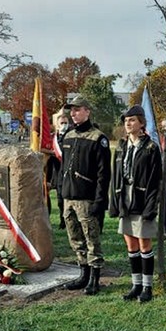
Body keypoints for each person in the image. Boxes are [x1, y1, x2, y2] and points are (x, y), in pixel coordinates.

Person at [59, 96, 111, 295]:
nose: (73, 114)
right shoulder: (69, 136)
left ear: (87, 111)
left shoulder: (98, 138)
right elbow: (63, 168)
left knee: (91, 239)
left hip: (86, 198)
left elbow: (103, 174)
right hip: (69, 197)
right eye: (71, 110)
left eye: (77, 110)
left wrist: (100, 201)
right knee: (75, 238)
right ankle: (83, 274)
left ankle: (95, 278)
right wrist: (61, 194)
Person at [110, 105, 162, 303]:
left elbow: (156, 179)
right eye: (126, 120)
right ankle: (136, 284)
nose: (128, 124)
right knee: (130, 243)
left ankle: (148, 287)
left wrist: (151, 206)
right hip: (125, 198)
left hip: (142, 198)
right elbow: (116, 175)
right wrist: (114, 201)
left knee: (144, 243)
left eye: (132, 120)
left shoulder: (150, 148)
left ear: (141, 123)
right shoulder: (122, 146)